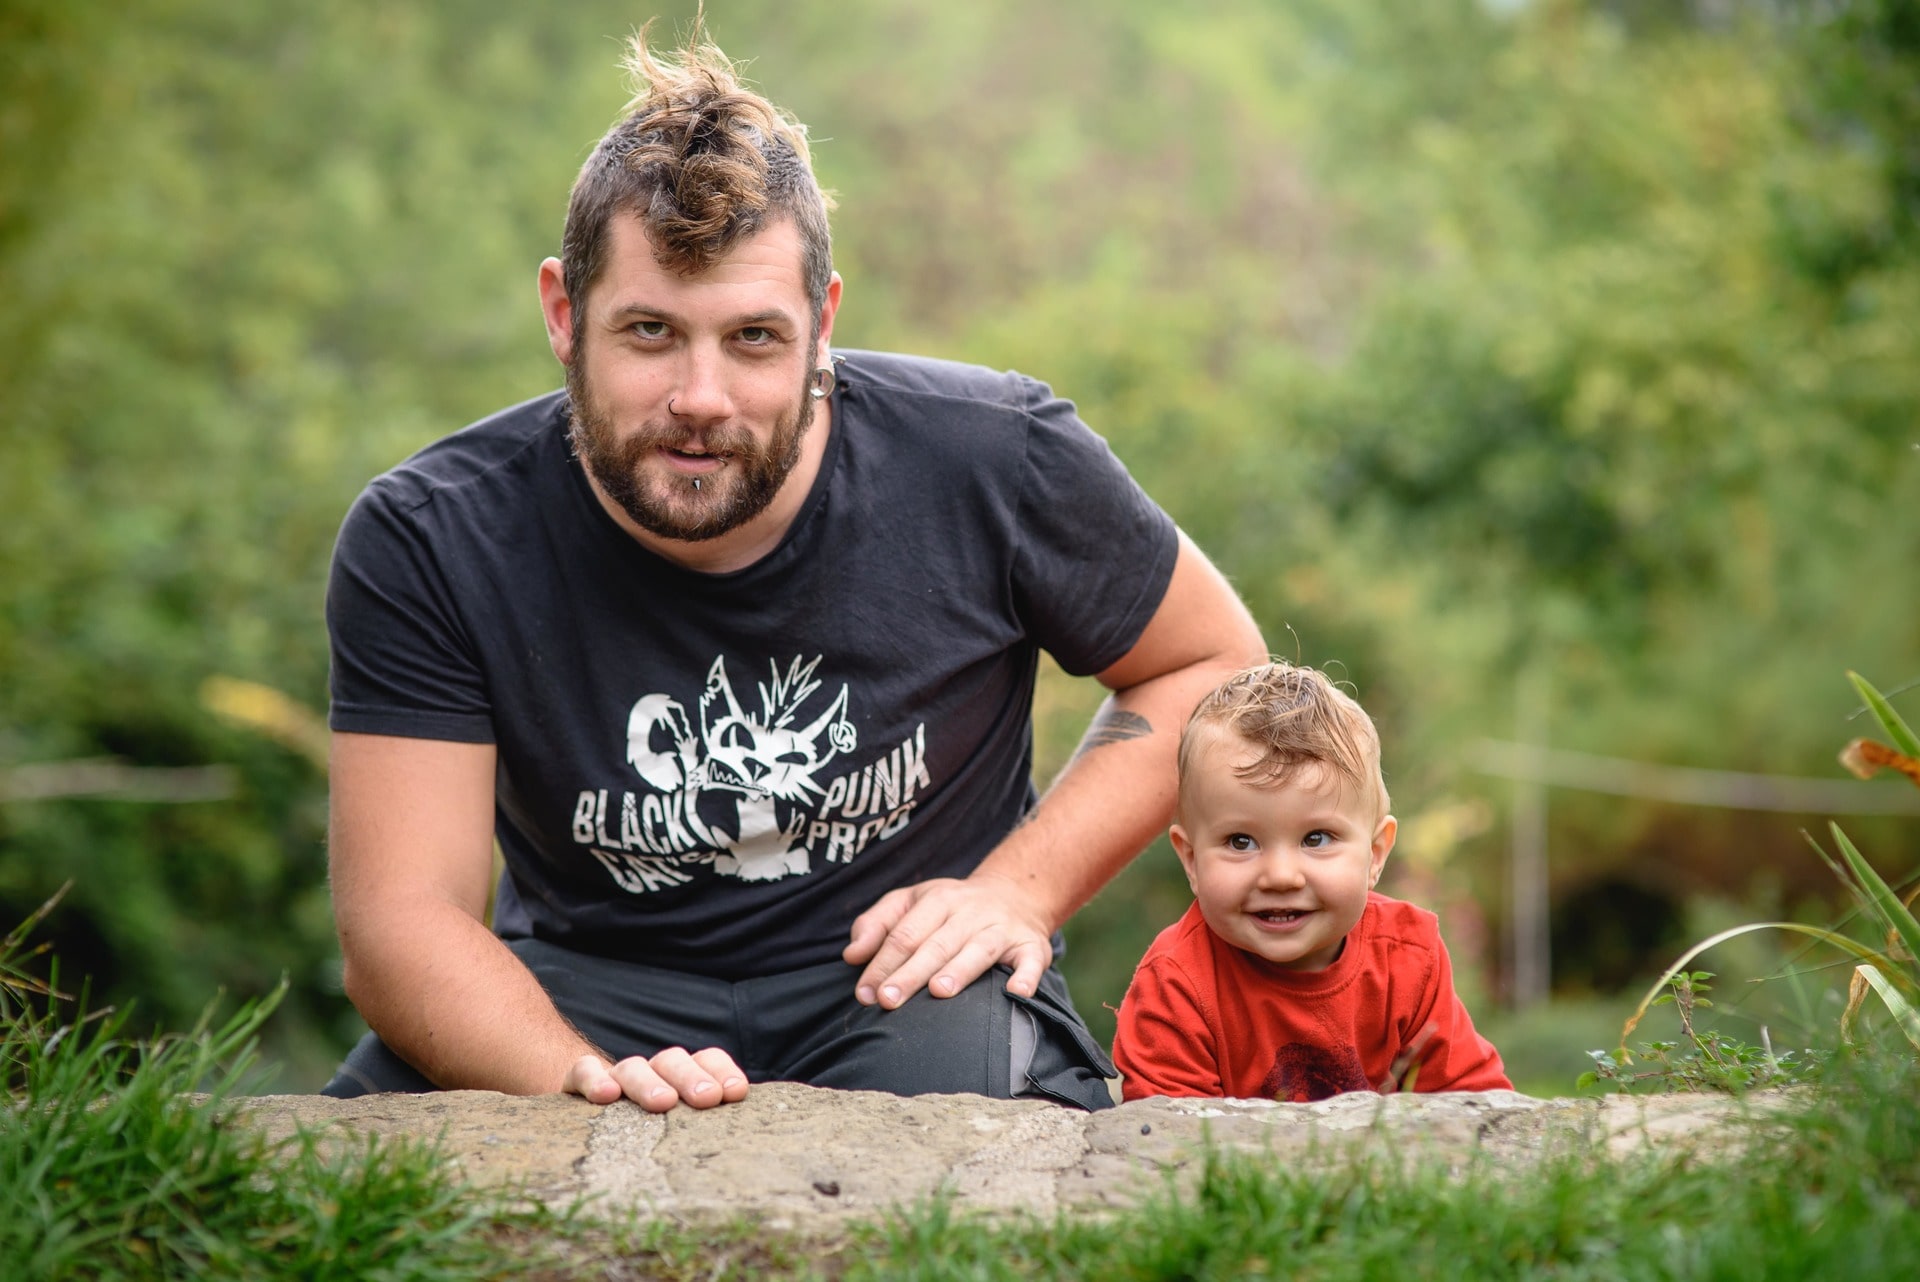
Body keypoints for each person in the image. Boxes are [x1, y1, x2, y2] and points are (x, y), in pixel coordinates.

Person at [319, 22, 1265, 1113]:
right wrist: (576, 1076)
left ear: (824, 323)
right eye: (649, 333)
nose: (701, 397)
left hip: (909, 978)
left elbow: (1207, 663)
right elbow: (401, 923)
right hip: (578, 994)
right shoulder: (429, 538)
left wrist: (1019, 889)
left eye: (754, 339)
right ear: (563, 314)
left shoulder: (998, 456)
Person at [1111, 663, 1510, 1102]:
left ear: (1375, 854)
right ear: (1191, 859)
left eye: (1316, 838)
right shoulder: (1177, 985)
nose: (1281, 876)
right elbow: (1167, 1146)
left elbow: (1470, 1107)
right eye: (1240, 842)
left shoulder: (1409, 959)